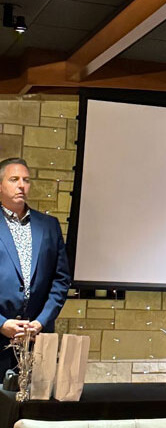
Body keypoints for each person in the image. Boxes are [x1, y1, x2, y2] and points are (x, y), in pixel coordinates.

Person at [0, 158, 71, 377]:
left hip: (37, 339)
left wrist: (41, 321)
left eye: (26, 180)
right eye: (14, 179)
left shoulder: (49, 225)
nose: (22, 185)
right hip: (1, 335)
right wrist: (1, 324)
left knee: (33, 406)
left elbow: (61, 280)